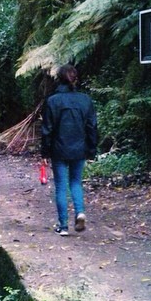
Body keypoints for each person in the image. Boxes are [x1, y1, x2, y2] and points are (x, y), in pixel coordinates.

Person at [41, 65, 97, 236]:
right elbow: (92, 127)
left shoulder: (52, 101)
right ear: (75, 79)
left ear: (58, 79)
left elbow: (47, 129)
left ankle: (63, 226)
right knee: (75, 183)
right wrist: (91, 149)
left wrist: (45, 152)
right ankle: (80, 212)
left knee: (60, 186)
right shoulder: (85, 100)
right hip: (79, 149)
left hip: (59, 150)